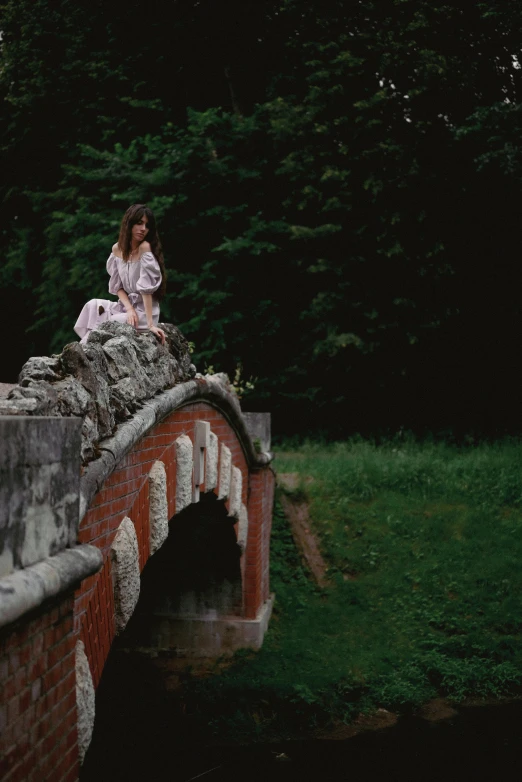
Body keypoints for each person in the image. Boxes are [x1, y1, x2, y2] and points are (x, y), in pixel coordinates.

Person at [74, 204, 167, 345]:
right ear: (129, 223)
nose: (143, 229)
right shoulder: (117, 249)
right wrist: (129, 309)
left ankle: (85, 350)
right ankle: (86, 349)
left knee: (114, 321)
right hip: (126, 306)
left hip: (144, 312)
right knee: (92, 306)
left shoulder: (145, 248)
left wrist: (151, 325)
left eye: (147, 226)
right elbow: (118, 287)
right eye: (139, 223)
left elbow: (146, 290)